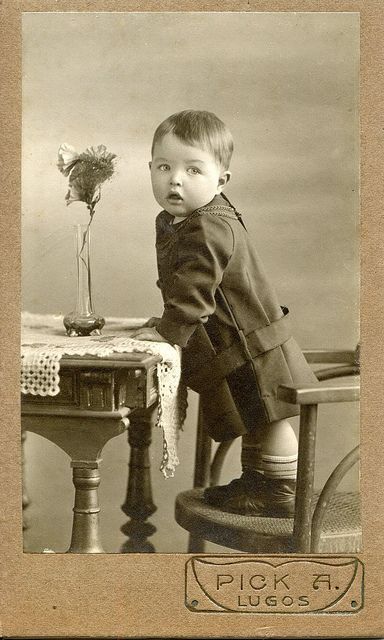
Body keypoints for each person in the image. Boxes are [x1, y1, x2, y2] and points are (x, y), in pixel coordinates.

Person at [131, 109, 317, 517]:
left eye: (193, 170)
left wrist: (170, 332)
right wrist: (167, 322)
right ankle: (259, 483)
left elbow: (196, 291)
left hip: (249, 345)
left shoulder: (205, 227)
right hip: (240, 341)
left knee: (268, 419)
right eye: (164, 166)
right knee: (257, 416)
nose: (175, 179)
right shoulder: (192, 219)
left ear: (221, 180)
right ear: (150, 169)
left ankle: (281, 491)